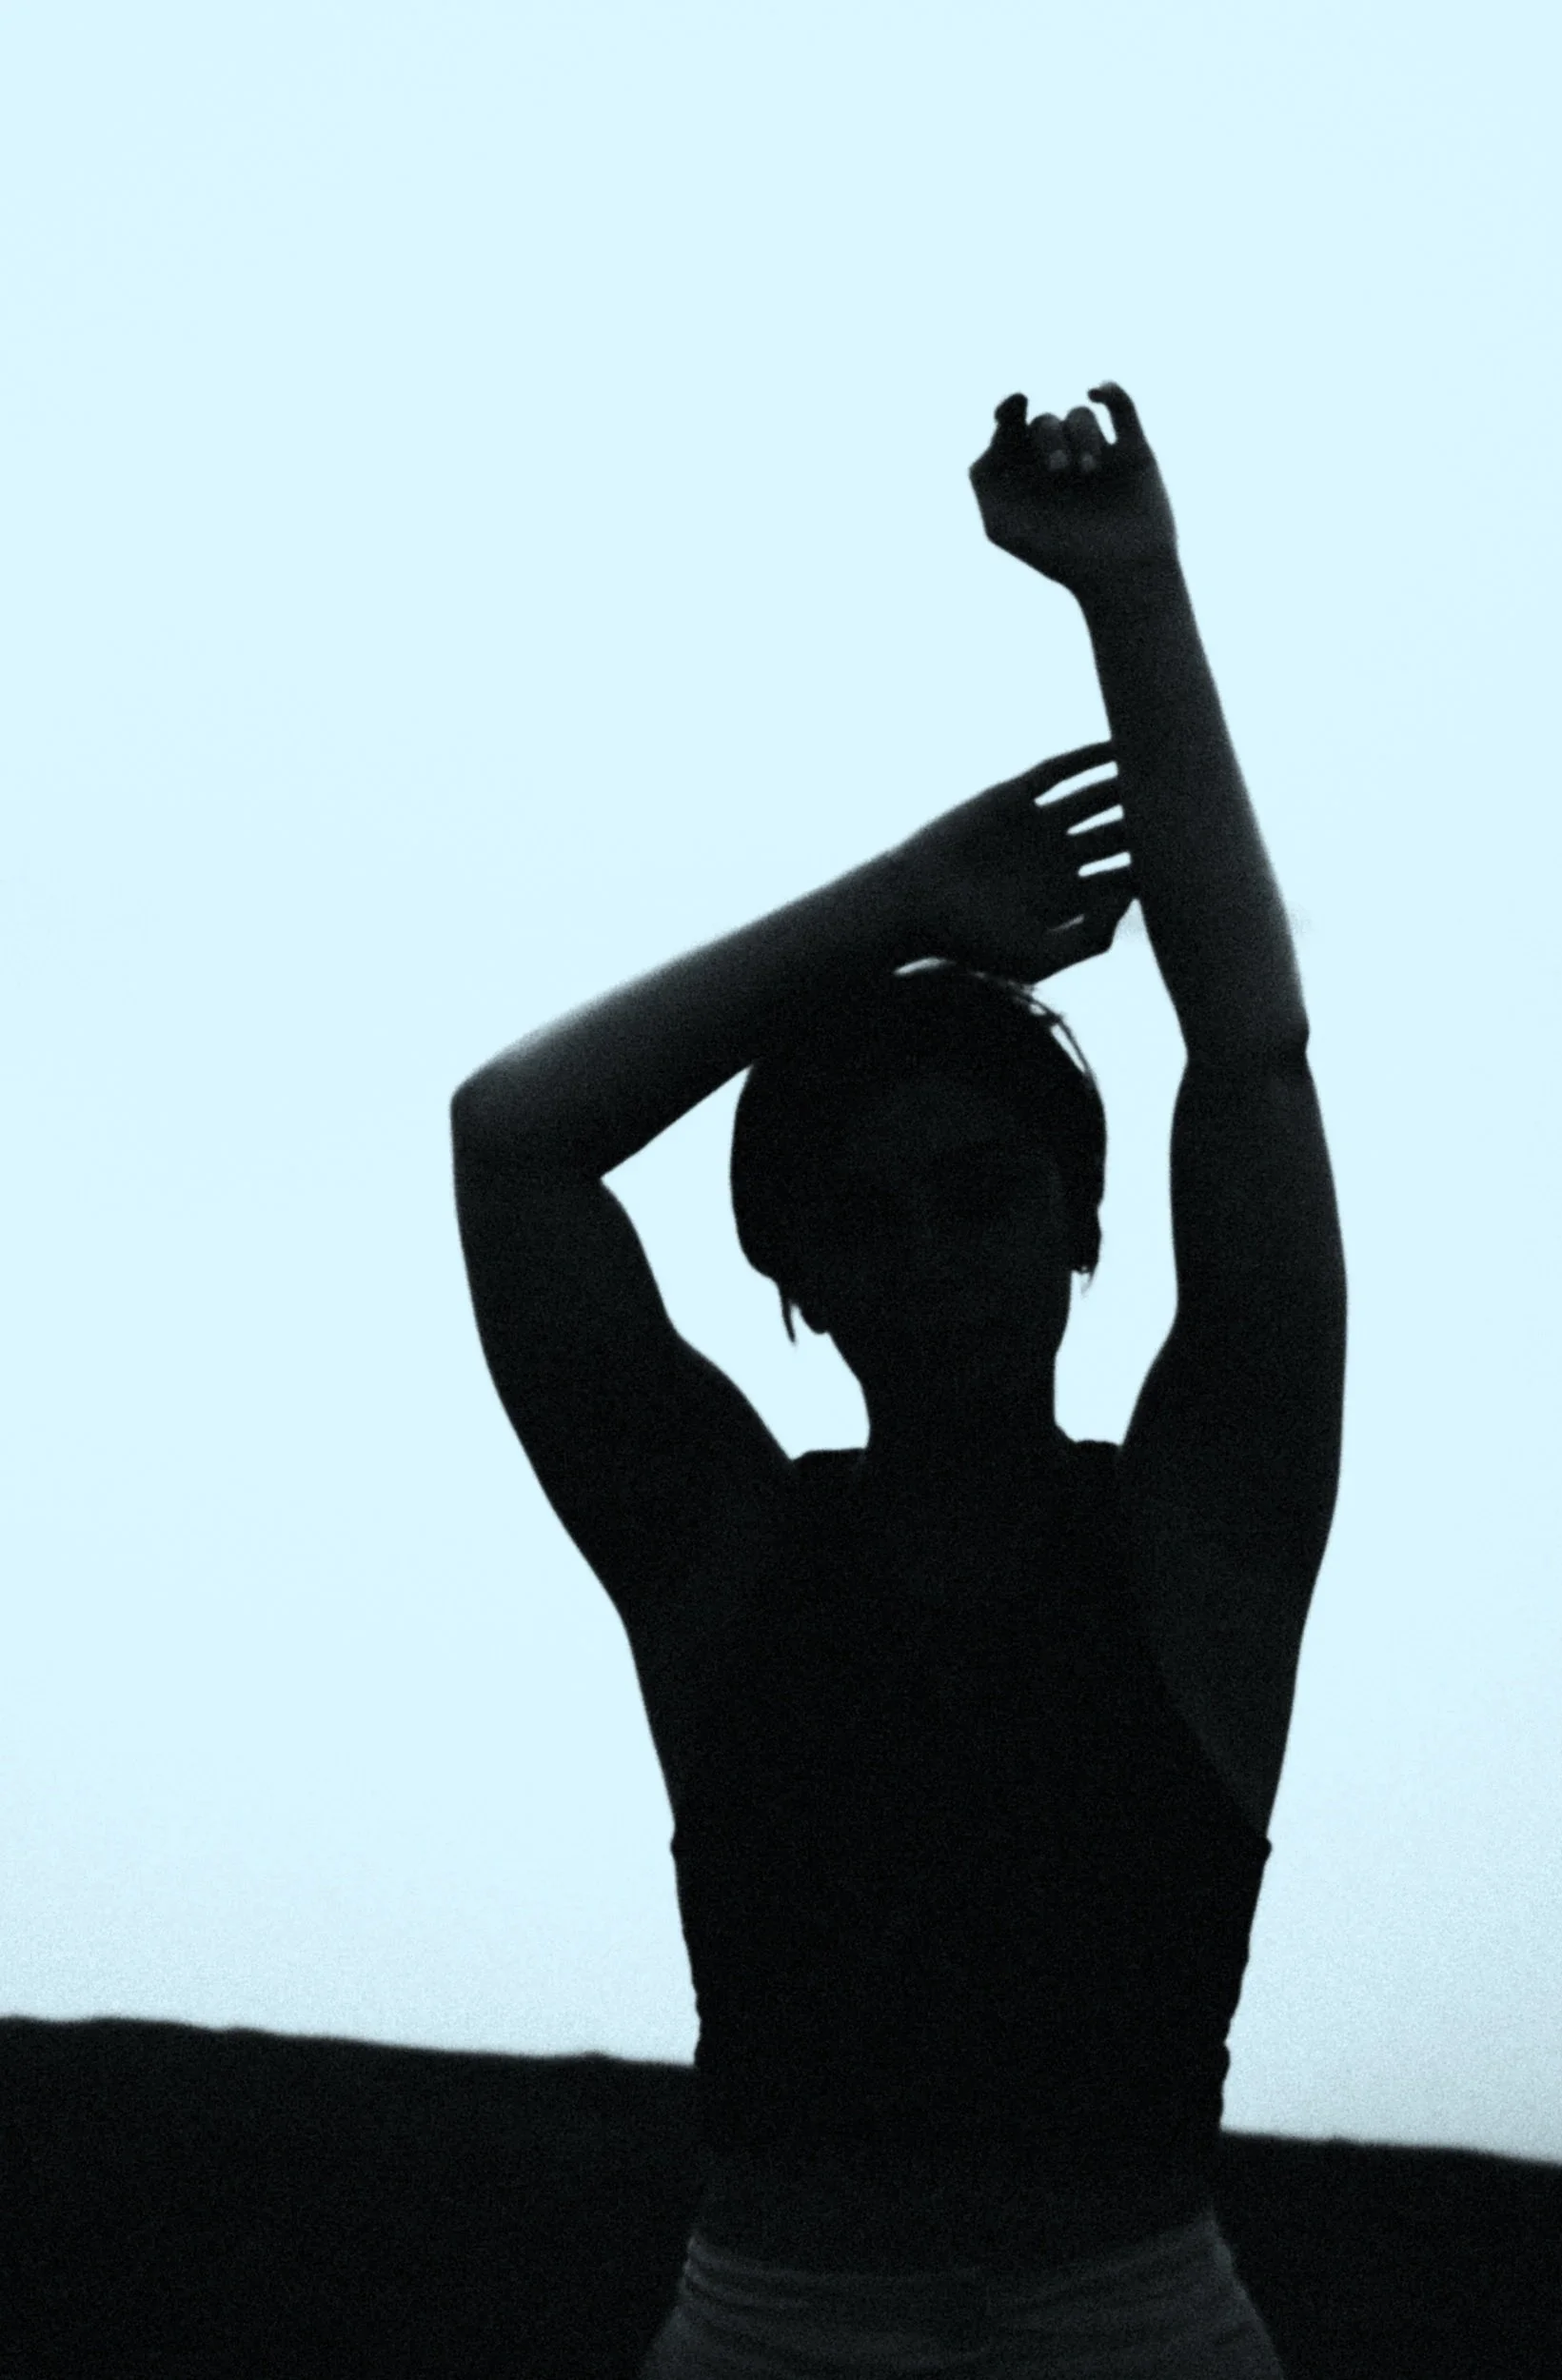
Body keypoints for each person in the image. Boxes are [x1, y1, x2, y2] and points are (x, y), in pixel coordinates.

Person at [450, 384, 1346, 2377]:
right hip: (780, 2321)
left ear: (1076, 1220)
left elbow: (1251, 1057)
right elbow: (511, 1140)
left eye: (976, 1191)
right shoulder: (718, 1543)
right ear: (794, 1274)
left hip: (1136, 2317)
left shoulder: (1207, 1522)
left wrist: (1133, 592)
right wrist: (894, 908)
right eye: (861, 1216)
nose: (928, 1256)